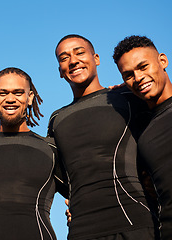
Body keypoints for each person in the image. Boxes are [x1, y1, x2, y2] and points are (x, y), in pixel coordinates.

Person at [47, 34, 157, 239]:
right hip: (81, 230)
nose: (73, 61)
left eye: (79, 52)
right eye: (64, 58)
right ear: (60, 71)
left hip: (137, 224)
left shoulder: (129, 98)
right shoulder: (57, 120)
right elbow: (60, 177)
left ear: (96, 58)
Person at [0, 67, 68, 240]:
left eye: (18, 92)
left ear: (29, 97)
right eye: (3, 93)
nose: (10, 99)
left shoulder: (50, 149)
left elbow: (81, 191)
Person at [113, 35, 172, 240]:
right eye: (128, 75)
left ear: (162, 61)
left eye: (143, 67)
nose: (138, 78)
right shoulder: (143, 134)